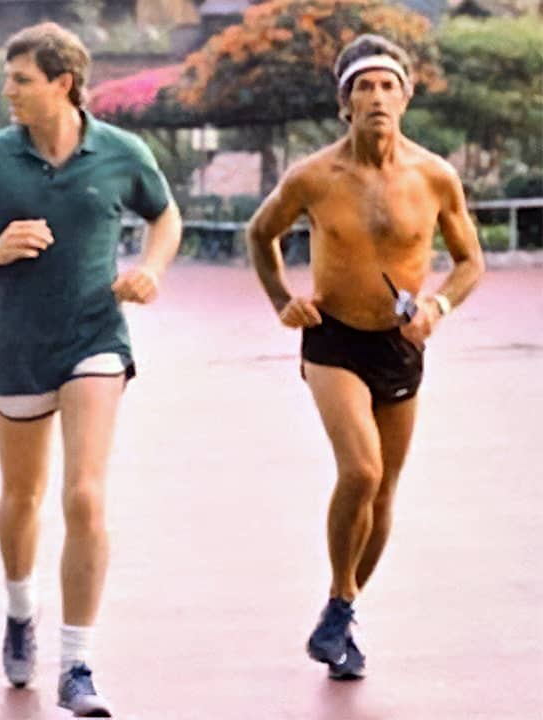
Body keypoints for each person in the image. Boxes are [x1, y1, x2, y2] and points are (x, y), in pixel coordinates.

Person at [0, 22, 182, 717]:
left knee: (85, 497)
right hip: (17, 348)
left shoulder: (121, 152)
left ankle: (78, 664)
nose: (7, 91)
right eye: (8, 80)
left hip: (96, 337)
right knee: (22, 496)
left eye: (20, 80)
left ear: (62, 84)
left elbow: (166, 219)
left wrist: (151, 271)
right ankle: (19, 610)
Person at [245, 34, 484, 680]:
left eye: (387, 86)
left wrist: (437, 308)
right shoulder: (313, 177)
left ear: (405, 97)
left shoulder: (435, 176)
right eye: (363, 87)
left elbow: (470, 262)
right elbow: (261, 233)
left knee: (385, 494)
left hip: (399, 344)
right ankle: (339, 613)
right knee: (362, 472)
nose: (376, 98)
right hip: (333, 338)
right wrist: (281, 299)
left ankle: (340, 609)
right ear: (344, 104)